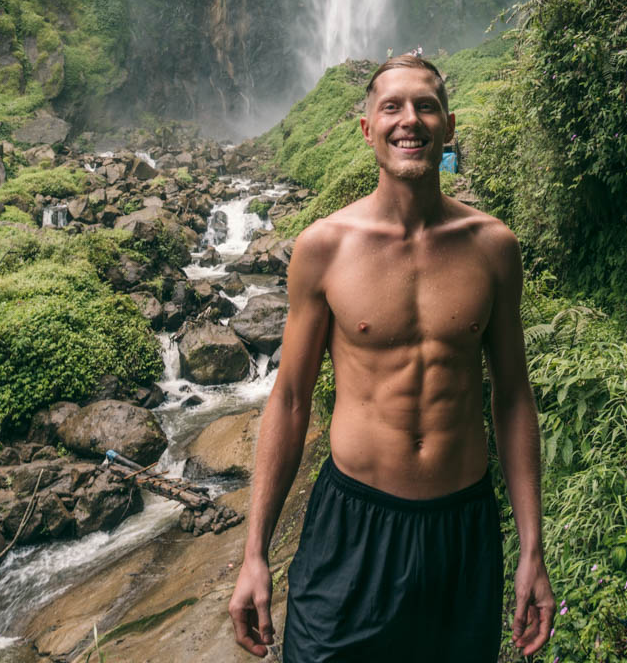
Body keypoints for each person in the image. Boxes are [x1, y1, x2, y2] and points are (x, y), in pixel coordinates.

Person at [228, 54, 555, 661]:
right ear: (367, 129)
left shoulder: (493, 247)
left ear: (449, 126)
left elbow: (511, 395)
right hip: (353, 524)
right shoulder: (325, 247)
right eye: (392, 107)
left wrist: (531, 549)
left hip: (462, 528)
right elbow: (292, 400)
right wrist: (254, 553)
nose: (411, 120)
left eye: (425, 105)